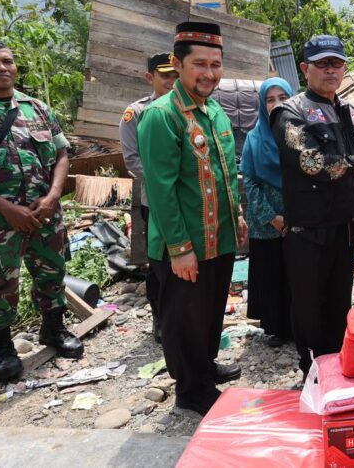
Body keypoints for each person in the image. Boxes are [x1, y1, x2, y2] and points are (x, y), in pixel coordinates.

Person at [271, 34, 354, 377]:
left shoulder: (351, 112)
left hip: (347, 227)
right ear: (305, 68)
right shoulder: (289, 113)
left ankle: (334, 367)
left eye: (337, 63)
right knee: (309, 306)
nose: (331, 70)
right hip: (308, 231)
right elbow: (314, 164)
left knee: (339, 304)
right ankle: (312, 371)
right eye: (322, 64)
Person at [137, 22, 247, 416]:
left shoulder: (214, 110)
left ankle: (205, 366)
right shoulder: (161, 116)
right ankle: (190, 389)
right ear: (177, 65)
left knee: (211, 308)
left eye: (216, 64)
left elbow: (224, 172)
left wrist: (236, 217)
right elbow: (161, 190)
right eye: (199, 64)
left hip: (218, 237)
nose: (209, 73)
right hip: (182, 243)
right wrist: (180, 249)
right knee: (184, 317)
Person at [0, 38, 82, 383]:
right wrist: (7, 210)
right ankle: (2, 350)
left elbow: (61, 154)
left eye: (8, 61)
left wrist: (54, 196)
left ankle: (53, 331)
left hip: (45, 214)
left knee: (52, 272)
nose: (2, 67)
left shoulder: (38, 108)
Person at [118, 52, 178, 343]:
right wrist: (168, 184)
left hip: (190, 203)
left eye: (175, 74)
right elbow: (132, 160)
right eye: (165, 75)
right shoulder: (139, 112)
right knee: (161, 262)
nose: (171, 80)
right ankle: (161, 318)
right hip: (155, 201)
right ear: (150, 77)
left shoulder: (190, 109)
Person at [241, 77, 294, 348]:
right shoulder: (254, 137)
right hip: (266, 220)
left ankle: (299, 324)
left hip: (298, 218)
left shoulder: (301, 134)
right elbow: (248, 180)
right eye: (270, 100)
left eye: (282, 98)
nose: (276, 105)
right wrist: (272, 217)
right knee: (272, 272)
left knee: (297, 271)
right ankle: (275, 327)